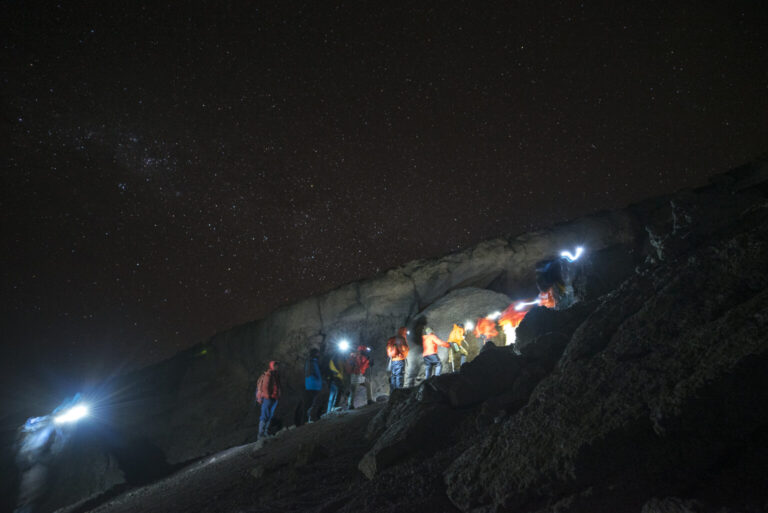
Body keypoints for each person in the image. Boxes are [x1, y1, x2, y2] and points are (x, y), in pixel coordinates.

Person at [256, 361, 281, 438]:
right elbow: (265, 386)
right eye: (275, 365)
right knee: (265, 415)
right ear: (272, 366)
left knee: (270, 415)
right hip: (268, 398)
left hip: (274, 398)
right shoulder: (268, 375)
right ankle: (261, 434)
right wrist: (267, 396)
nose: (277, 367)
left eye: (277, 365)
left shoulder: (276, 375)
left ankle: (266, 432)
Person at [303, 348, 322, 423]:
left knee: (313, 402)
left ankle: (310, 418)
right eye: (317, 353)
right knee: (312, 402)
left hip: (314, 384)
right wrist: (316, 378)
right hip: (312, 385)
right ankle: (308, 418)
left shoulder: (313, 362)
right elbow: (310, 373)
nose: (318, 355)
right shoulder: (311, 362)